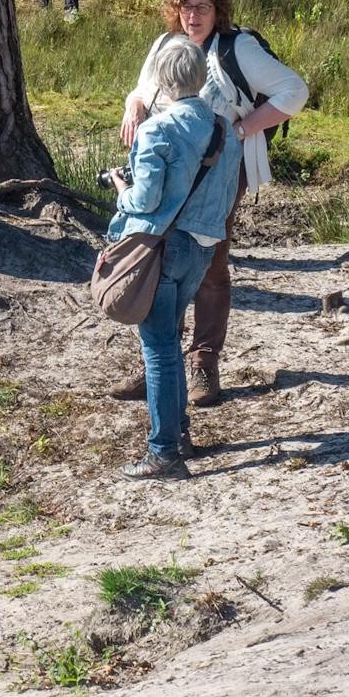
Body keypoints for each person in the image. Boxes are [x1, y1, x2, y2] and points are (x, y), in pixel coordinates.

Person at [115, 0, 309, 406]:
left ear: (217, 9)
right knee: (156, 257)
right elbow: (143, 87)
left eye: (202, 7)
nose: (192, 16)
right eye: (185, 6)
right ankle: (158, 360)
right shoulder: (166, 44)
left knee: (209, 260)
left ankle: (204, 363)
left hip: (221, 171)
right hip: (168, 170)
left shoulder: (238, 47)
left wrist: (242, 132)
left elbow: (293, 91)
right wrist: (135, 105)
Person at [106, 34, 241, 480]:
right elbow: (223, 197)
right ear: (201, 78)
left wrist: (121, 191)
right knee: (170, 343)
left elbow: (145, 201)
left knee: (160, 348)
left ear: (162, 84)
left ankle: (164, 451)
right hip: (203, 249)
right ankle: (179, 432)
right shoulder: (225, 131)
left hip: (163, 249)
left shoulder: (157, 130)